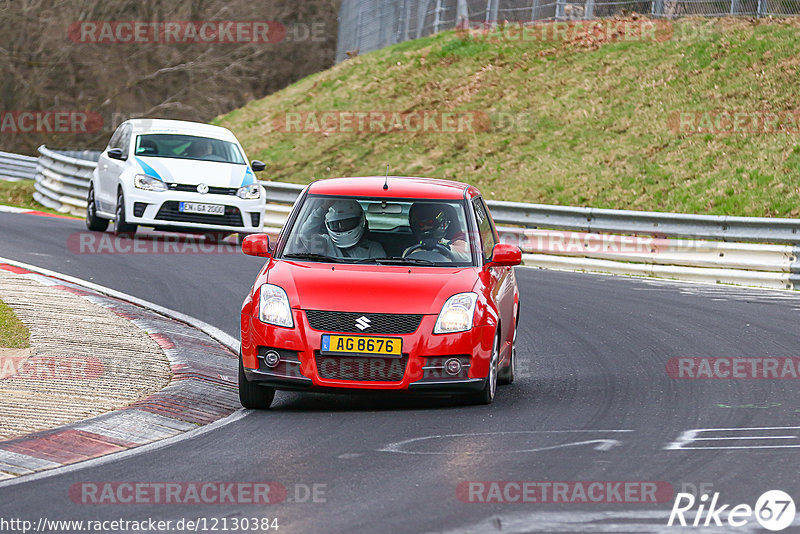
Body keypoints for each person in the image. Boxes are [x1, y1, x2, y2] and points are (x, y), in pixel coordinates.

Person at [295, 199, 386, 259]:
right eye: (337, 224)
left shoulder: (373, 248)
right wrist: (323, 208)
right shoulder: (324, 243)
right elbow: (305, 233)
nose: (342, 227)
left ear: (360, 221)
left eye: (347, 223)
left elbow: (381, 274)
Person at [404, 202, 471, 261]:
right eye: (421, 225)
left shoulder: (458, 241)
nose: (425, 228)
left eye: (429, 223)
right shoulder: (411, 250)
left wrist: (444, 247)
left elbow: (469, 254)